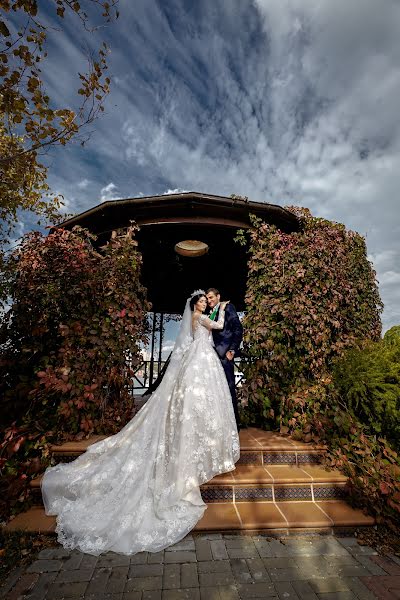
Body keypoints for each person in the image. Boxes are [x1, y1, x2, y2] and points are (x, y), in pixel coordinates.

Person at [41, 290, 240, 556]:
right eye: (202, 301)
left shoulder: (194, 318)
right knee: (201, 399)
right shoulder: (201, 317)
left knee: (199, 400)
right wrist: (222, 311)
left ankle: (201, 433)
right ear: (195, 304)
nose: (204, 303)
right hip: (203, 360)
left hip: (199, 359)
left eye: (207, 301)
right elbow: (217, 325)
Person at [205, 288, 243, 428]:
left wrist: (232, 349)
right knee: (214, 390)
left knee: (228, 388)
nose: (209, 301)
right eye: (207, 298)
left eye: (211, 297)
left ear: (218, 296)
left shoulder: (228, 307)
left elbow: (238, 328)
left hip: (225, 355)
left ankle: (234, 424)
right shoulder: (209, 312)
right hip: (211, 355)